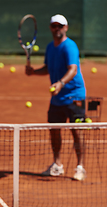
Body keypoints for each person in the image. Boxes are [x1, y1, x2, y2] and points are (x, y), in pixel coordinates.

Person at [25, 14, 86, 181]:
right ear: (51, 28)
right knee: (54, 131)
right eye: (54, 26)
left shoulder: (69, 47)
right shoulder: (51, 47)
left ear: (65, 28)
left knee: (77, 132)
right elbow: (48, 68)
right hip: (57, 97)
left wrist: (60, 83)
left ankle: (80, 167)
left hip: (74, 96)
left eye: (60, 26)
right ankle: (57, 165)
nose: (57, 28)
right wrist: (34, 72)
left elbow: (73, 70)